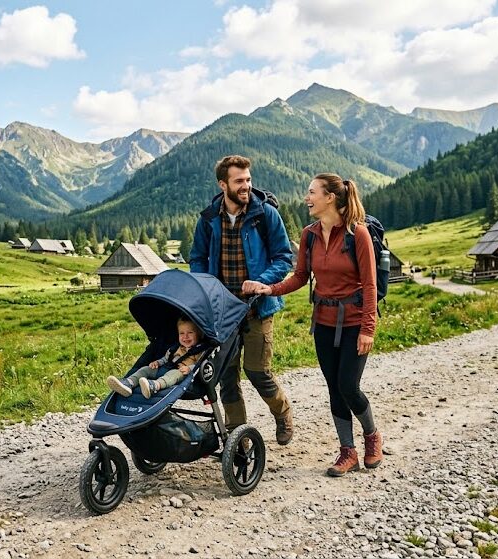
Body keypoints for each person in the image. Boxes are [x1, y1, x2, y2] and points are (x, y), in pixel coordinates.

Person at [242, 173, 383, 477]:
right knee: (334, 388)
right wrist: (270, 289)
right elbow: (301, 276)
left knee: (349, 386)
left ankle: (371, 436)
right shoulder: (309, 234)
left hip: (355, 321)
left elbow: (370, 286)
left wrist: (368, 328)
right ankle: (348, 452)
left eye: (311, 193)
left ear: (330, 197)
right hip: (323, 322)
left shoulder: (357, 234)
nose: (307, 198)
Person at [190, 155, 295, 445]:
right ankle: (238, 438)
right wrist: (206, 286)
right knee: (227, 377)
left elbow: (284, 257)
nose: (246, 185)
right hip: (222, 312)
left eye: (248, 179)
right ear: (223, 184)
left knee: (258, 371)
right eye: (239, 181)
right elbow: (197, 258)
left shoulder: (265, 215)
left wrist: (262, 282)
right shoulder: (209, 219)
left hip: (257, 308)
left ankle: (282, 412)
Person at [106, 317, 206, 399]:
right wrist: (157, 363)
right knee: (146, 369)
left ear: (199, 334)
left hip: (180, 374)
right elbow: (165, 359)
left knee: (173, 374)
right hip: (165, 368)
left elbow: (201, 364)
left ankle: (155, 386)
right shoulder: (175, 348)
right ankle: (129, 383)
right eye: (182, 333)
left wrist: (189, 368)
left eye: (190, 333)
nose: (185, 337)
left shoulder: (199, 351)